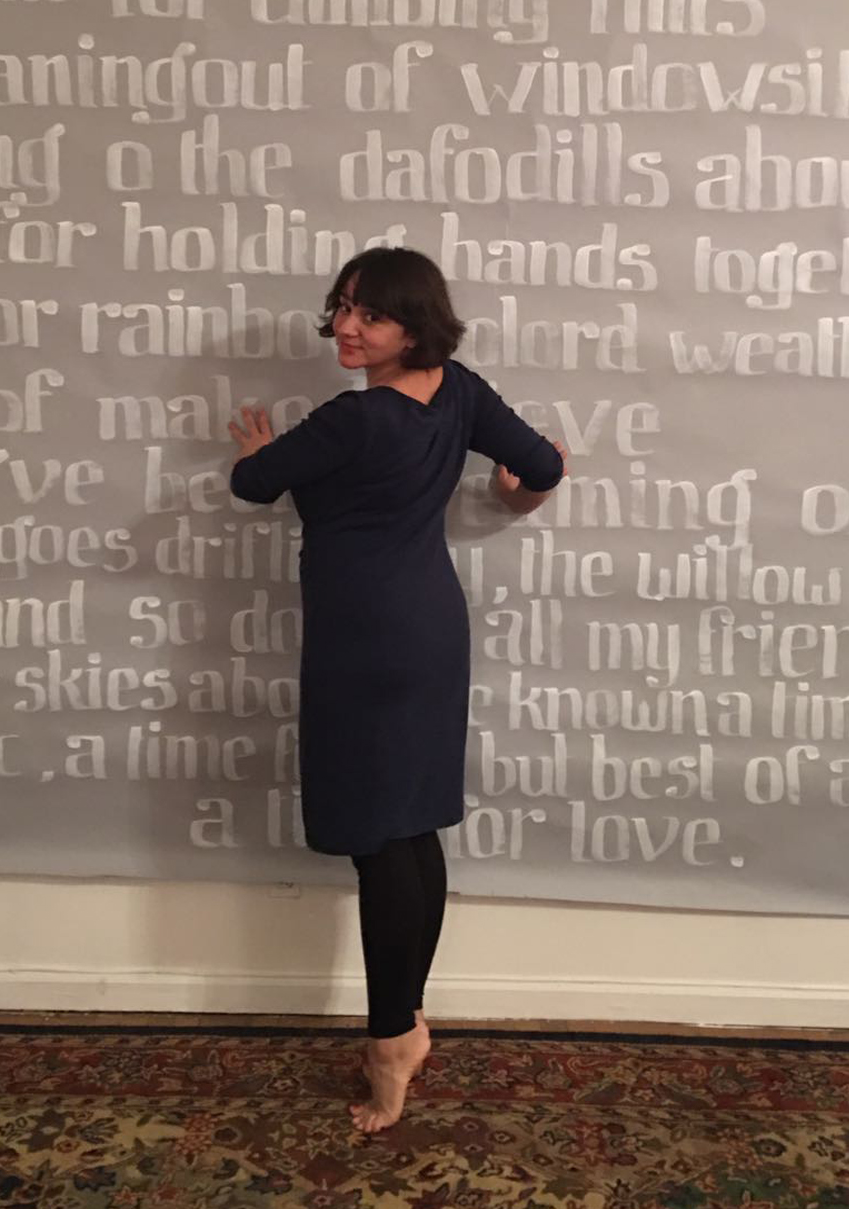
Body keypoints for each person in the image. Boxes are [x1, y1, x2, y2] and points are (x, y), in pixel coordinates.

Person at [228, 247, 566, 1132]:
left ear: (414, 327)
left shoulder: (353, 418)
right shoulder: (461, 392)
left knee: (380, 841)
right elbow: (543, 465)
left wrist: (260, 452)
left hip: (363, 641)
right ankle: (407, 1022)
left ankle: (389, 1041)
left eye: (369, 315)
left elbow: (252, 483)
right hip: (431, 631)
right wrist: (515, 496)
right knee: (411, 827)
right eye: (342, 306)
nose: (345, 327)